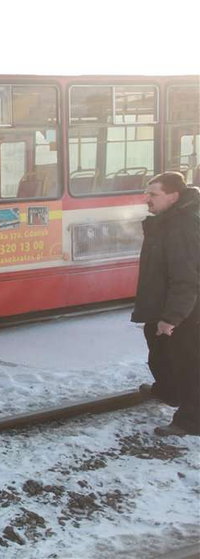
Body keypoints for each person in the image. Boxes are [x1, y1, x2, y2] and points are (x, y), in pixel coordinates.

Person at [131, 172, 200, 437]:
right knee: (157, 343)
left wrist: (171, 318)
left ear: (173, 196)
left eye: (153, 194)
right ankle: (170, 390)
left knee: (188, 361)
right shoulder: (166, 220)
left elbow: (186, 279)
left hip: (186, 311)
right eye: (147, 193)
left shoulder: (182, 226)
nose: (147, 199)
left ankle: (191, 420)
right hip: (164, 304)